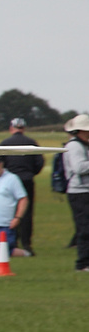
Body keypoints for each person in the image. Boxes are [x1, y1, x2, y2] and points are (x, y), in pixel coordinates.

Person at [0, 117, 44, 256]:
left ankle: (13, 242)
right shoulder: (32, 143)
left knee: (11, 212)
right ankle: (27, 244)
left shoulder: (5, 143)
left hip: (10, 182)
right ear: (23, 128)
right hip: (27, 180)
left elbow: (0, 163)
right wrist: (30, 173)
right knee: (27, 213)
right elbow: (39, 162)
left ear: (11, 128)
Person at [63, 114, 89, 273]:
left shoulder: (85, 145)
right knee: (84, 228)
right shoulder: (74, 146)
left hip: (86, 191)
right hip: (79, 193)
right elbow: (78, 167)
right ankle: (82, 263)